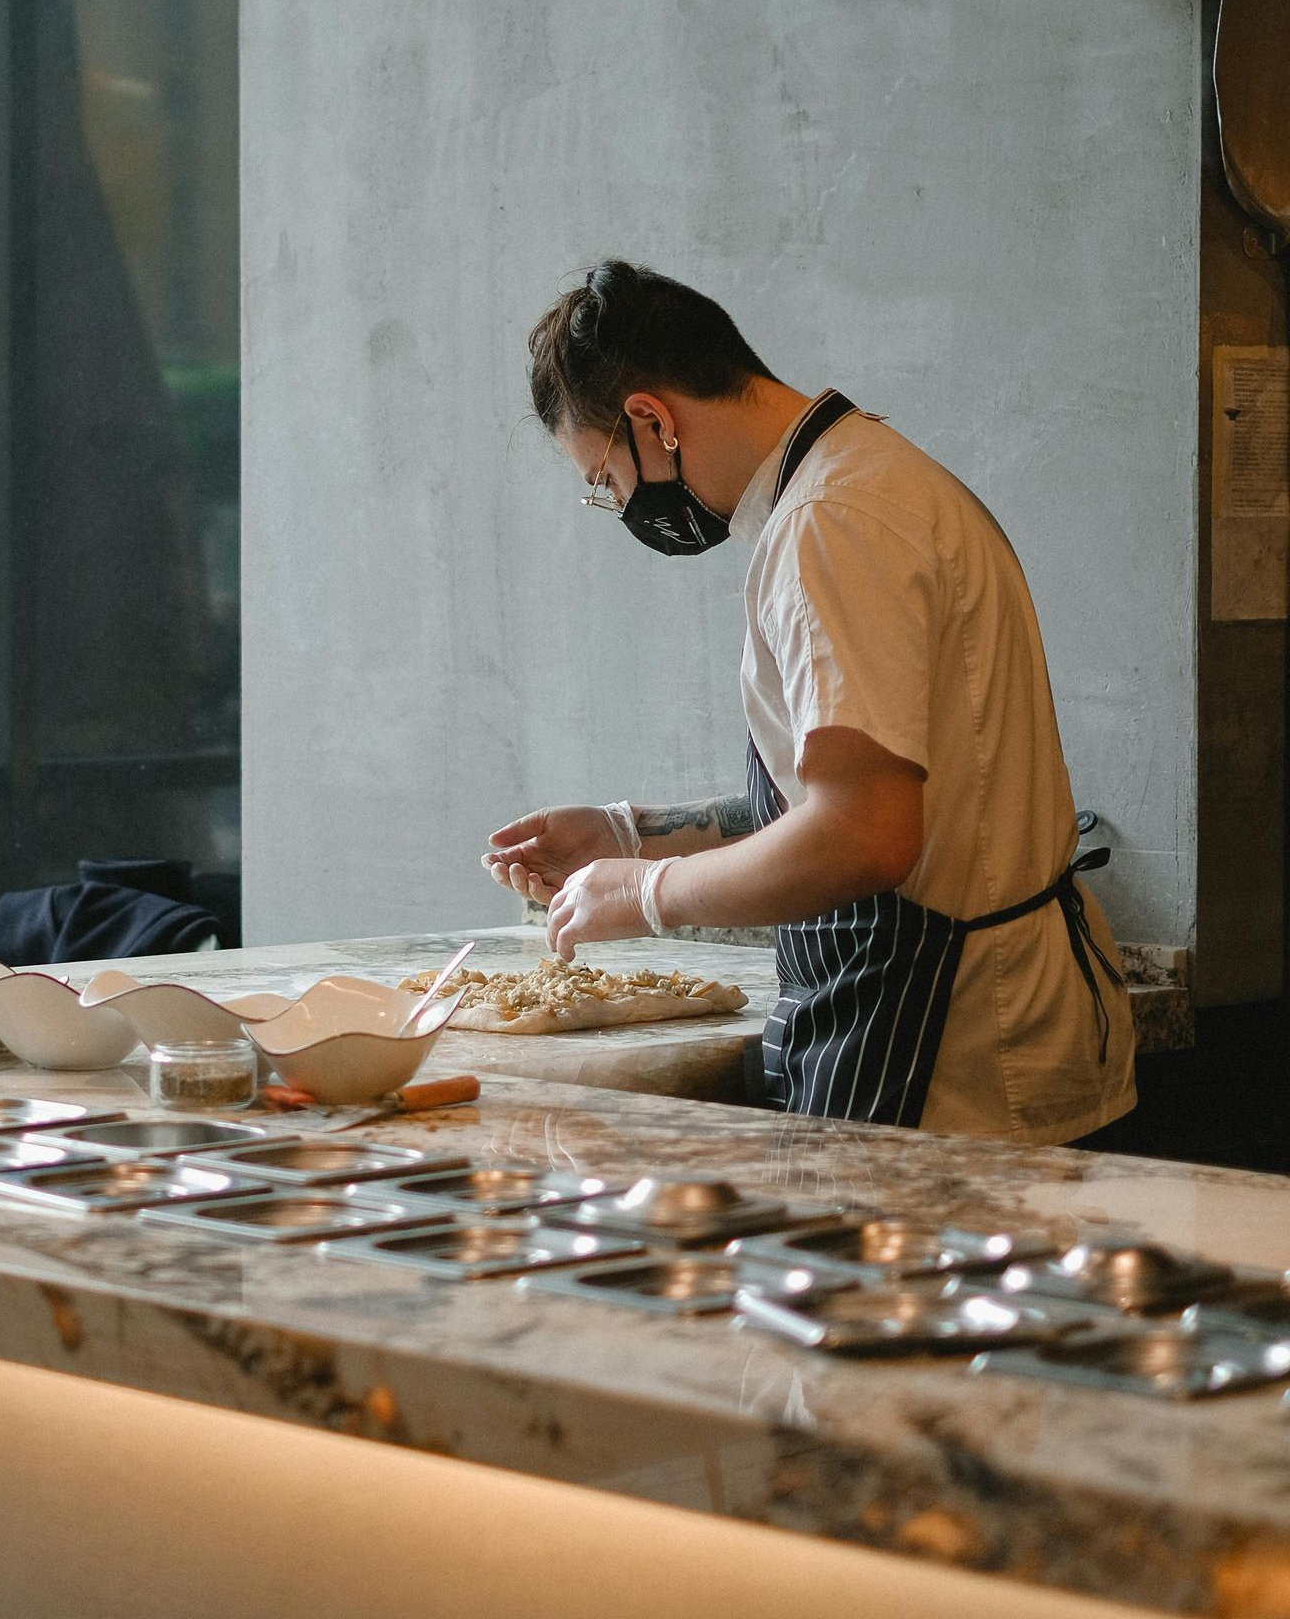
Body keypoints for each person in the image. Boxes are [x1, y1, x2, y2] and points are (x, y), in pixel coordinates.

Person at [485, 262, 1134, 1146]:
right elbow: (847, 791)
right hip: (966, 1026)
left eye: (603, 478)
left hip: (948, 1053)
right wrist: (627, 832)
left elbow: (864, 833)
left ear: (651, 420)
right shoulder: (864, 477)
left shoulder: (832, 523)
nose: (619, 504)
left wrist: (647, 891)